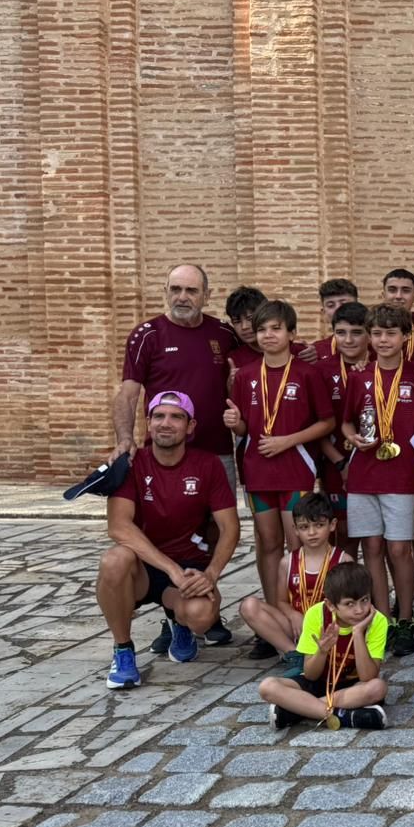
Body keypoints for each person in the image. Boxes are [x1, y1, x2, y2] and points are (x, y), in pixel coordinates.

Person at [112, 264, 239, 648]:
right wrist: (125, 439)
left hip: (216, 452)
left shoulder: (223, 334)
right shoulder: (147, 335)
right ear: (166, 291)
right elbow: (129, 392)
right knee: (161, 529)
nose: (182, 297)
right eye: (176, 289)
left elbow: (256, 360)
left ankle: (200, 594)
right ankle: (172, 612)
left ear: (206, 295)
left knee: (215, 531)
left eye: (191, 290)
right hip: (164, 455)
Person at [96, 391, 239, 688]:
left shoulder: (208, 464)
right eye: (159, 416)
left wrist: (211, 574)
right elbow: (118, 527)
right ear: (148, 423)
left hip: (188, 567)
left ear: (190, 426)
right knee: (113, 560)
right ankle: (123, 651)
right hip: (143, 567)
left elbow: (230, 528)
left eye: (176, 417)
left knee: (201, 615)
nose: (166, 423)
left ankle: (179, 622)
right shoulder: (131, 463)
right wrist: (170, 568)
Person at [222, 299, 336, 632]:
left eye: (276, 328)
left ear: (291, 333)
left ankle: (306, 614)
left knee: (297, 543)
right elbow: (244, 427)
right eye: (262, 329)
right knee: (268, 542)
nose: (268, 335)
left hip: (295, 469)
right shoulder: (245, 376)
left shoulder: (307, 374)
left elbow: (327, 422)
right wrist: (235, 423)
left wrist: (287, 441)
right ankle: (275, 616)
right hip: (257, 471)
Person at [339, 304, 414, 657]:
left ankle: (405, 619)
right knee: (371, 547)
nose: (383, 340)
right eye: (376, 333)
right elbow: (346, 421)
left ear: (405, 337)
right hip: (364, 475)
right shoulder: (360, 376)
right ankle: (383, 619)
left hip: (402, 475)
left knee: (400, 549)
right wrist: (352, 438)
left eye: (391, 333)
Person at [257, 562, 388, 730]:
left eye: (365, 600)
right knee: (267, 686)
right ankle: (343, 716)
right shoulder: (316, 614)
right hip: (319, 682)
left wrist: (357, 633)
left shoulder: (377, 620)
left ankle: (298, 710)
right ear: (331, 605)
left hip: (351, 686)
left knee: (377, 687)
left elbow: (367, 676)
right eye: (350, 604)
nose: (360, 610)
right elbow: (311, 675)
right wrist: (322, 651)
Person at [238, 492, 345, 675]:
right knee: (249, 606)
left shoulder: (342, 560)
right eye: (304, 527)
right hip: (298, 626)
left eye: (319, 525)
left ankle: (320, 654)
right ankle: (294, 653)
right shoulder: (287, 562)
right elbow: (281, 601)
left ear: (332, 525)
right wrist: (293, 614)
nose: (312, 532)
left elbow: (348, 604)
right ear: (295, 529)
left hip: (328, 629)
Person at [317, 301, 371, 553]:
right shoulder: (321, 370)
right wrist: (340, 464)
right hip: (335, 462)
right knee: (341, 532)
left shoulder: (382, 366)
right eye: (341, 332)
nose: (348, 340)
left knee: (376, 540)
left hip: (375, 462)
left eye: (356, 332)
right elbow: (318, 424)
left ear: (369, 334)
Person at [312, 278, 359, 360]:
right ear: (324, 312)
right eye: (331, 305)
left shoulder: (377, 347)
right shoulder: (316, 351)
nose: (338, 309)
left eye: (344, 304)